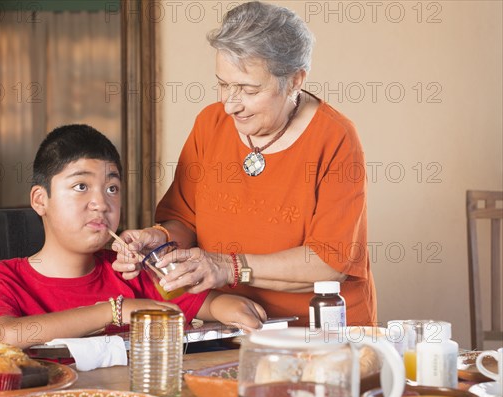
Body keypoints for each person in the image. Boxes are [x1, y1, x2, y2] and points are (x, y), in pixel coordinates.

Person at [112, 1, 376, 327]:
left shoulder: (335, 138)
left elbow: (328, 263)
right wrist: (161, 239)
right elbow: (185, 220)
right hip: (231, 325)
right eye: (223, 84)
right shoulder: (209, 125)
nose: (229, 105)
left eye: (249, 89)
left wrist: (230, 266)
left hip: (320, 331)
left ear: (295, 80)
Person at [0, 124, 266, 348]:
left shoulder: (132, 270)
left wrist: (234, 308)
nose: (101, 203)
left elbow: (209, 304)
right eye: (81, 187)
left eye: (112, 188)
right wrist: (115, 311)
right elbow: (5, 334)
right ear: (40, 200)